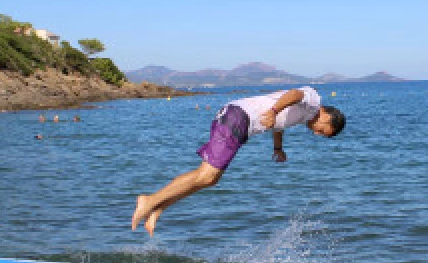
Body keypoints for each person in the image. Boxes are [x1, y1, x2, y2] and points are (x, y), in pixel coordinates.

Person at [131, 87, 345, 236]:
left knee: (208, 179)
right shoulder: (314, 101)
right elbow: (294, 94)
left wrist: (278, 148)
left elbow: (279, 125)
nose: (318, 134)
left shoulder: (303, 116)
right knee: (207, 175)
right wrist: (273, 111)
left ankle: (158, 207)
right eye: (324, 131)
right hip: (238, 117)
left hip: (240, 123)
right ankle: (148, 201)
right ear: (327, 116)